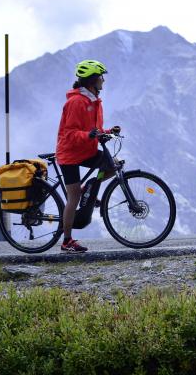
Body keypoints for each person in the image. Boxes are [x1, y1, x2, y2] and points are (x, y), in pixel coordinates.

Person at [55, 59, 121, 253]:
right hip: (69, 154)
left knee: (113, 164)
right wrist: (89, 135)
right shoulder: (76, 102)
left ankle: (89, 188)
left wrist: (108, 131)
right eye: (101, 77)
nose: (103, 80)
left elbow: (95, 129)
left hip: (86, 150)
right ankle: (67, 241)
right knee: (73, 197)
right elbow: (69, 133)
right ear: (92, 80)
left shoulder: (94, 100)